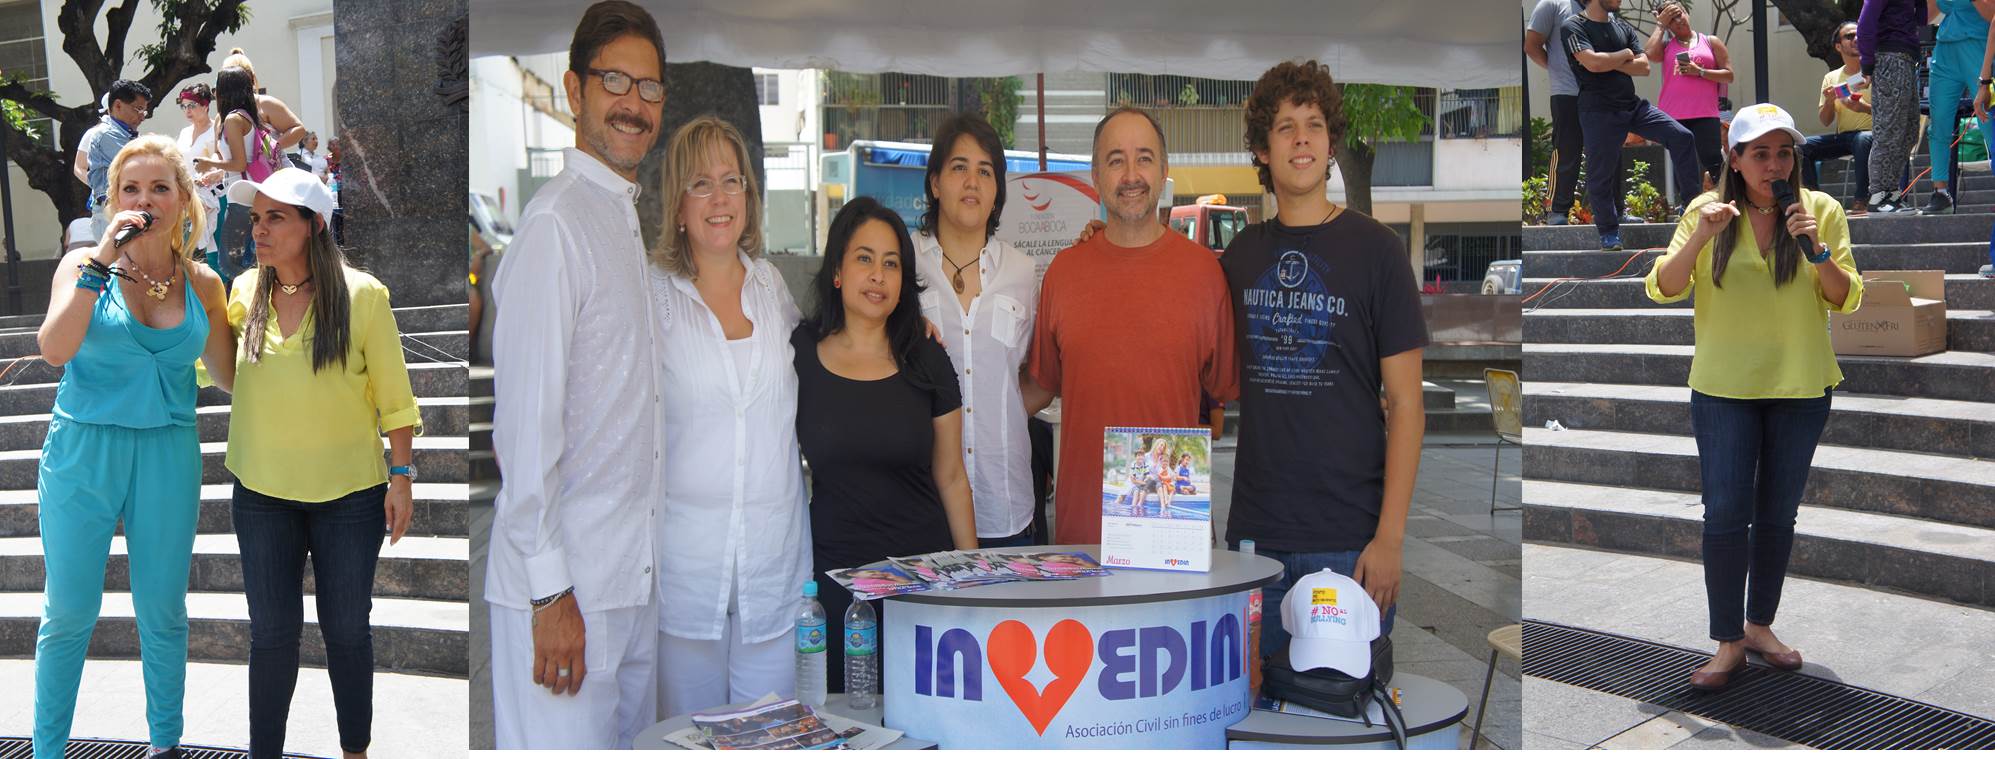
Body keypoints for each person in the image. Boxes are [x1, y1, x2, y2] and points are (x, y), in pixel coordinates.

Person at [485, 0, 670, 749]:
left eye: (650, 88)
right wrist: (550, 588)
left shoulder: (620, 218)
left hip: (629, 584)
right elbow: (525, 427)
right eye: (615, 82)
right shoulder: (555, 224)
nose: (633, 104)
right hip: (564, 594)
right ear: (573, 89)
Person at [1643, 104, 1862, 692]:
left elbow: (1848, 298)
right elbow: (1664, 285)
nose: (1773, 164)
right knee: (1724, 515)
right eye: (1759, 154)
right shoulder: (1704, 212)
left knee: (1776, 515)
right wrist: (1702, 238)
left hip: (1800, 386)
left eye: (1783, 152)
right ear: (1734, 159)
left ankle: (1759, 625)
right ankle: (1727, 641)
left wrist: (1816, 251)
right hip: (1723, 389)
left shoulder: (1821, 212)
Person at [33, 135, 234, 759]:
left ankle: (165, 745)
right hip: (82, 451)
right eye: (130, 188)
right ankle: (47, 750)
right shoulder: (80, 265)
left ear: (183, 202)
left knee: (163, 611)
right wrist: (101, 257)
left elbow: (233, 377)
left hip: (167, 453)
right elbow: (54, 349)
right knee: (68, 612)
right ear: (111, 197)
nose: (142, 200)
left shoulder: (202, 283)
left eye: (158, 188)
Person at [1221, 60, 1428, 654]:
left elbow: (1408, 405)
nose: (1302, 139)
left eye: (1314, 124)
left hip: (1349, 540)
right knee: (1255, 719)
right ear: (1262, 149)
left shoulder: (1378, 252)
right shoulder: (1239, 257)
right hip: (1253, 539)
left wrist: (1389, 538)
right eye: (1285, 127)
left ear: (1331, 142)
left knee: (1341, 720)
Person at [222, 167, 419, 759]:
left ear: (312, 225)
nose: (259, 229)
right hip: (261, 493)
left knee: (347, 631)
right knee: (272, 636)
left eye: (275, 217)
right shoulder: (242, 292)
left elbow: (395, 396)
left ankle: (354, 751)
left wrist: (402, 476)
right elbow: (218, 369)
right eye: (256, 218)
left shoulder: (363, 295)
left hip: (350, 496)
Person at [647, 115, 810, 716]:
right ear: (678, 203)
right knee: (688, 743)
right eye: (701, 184)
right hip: (687, 575)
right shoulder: (653, 294)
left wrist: (903, 334)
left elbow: (830, 363)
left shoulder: (771, 288)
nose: (720, 199)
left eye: (732, 181)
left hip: (774, 570)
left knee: (771, 738)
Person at [1026, 107, 1237, 545]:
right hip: (1083, 538)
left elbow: (1227, 391)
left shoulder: (1204, 273)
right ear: (1095, 177)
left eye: (1144, 158)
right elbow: (1039, 386)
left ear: (1163, 172)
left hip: (1173, 531)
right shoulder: (1063, 274)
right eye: (1116, 159)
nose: (1131, 174)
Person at [794, 197, 977, 693]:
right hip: (835, 589)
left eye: (891, 263)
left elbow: (952, 477)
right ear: (837, 271)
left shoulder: (927, 359)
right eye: (864, 258)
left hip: (922, 583)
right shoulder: (799, 356)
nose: (878, 275)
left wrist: (973, 580)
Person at [910, 112, 1047, 549]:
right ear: (935, 184)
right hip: (923, 505)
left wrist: (1000, 410)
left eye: (985, 171)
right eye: (959, 167)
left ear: (997, 192)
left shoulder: (1024, 272)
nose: (972, 181)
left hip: (1006, 508)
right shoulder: (902, 263)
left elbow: (1041, 378)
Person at [1562, 0, 1701, 250]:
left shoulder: (1622, 27)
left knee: (1682, 136)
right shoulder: (1573, 26)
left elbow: (1644, 67)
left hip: (1632, 106)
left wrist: (1609, 61)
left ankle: (1690, 206)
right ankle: (1608, 232)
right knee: (1600, 174)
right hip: (1598, 110)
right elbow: (1592, 63)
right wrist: (1625, 55)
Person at [1529, 0, 1642, 226]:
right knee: (1566, 151)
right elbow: (1531, 46)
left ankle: (1617, 211)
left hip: (1603, 95)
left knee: (1611, 152)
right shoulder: (1552, 5)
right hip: (1567, 94)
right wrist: (1558, 72)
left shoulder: (1607, 12)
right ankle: (1558, 211)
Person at [194, 66, 275, 286]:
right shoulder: (248, 116)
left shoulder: (232, 119)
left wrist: (208, 163)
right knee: (242, 261)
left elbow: (239, 162)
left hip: (238, 197)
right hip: (246, 192)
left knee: (230, 264)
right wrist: (217, 172)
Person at [1645, 1, 1732, 192]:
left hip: (1705, 112)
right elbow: (1649, 53)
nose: (1678, 21)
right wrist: (1660, 24)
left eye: (1680, 14)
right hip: (1674, 114)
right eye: (1671, 19)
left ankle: (1724, 199)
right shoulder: (1666, 46)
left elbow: (1729, 75)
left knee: (1713, 160)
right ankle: (1687, 206)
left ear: (1687, 14)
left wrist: (1699, 71)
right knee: (1681, 162)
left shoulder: (1710, 41)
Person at [1917, 0, 1993, 214]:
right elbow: (1926, 16)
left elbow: (1991, 15)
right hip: (1945, 49)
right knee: (1938, 122)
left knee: (1987, 119)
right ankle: (1940, 192)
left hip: (1979, 44)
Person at [1858, 0, 1927, 213]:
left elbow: (1922, 20)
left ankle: (1891, 193)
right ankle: (1878, 195)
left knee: (1908, 132)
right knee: (1889, 130)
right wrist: (1867, 62)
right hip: (1889, 58)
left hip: (1907, 59)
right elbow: (1865, 24)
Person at [1802, 21, 1878, 215]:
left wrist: (1863, 108)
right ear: (1838, 46)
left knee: (1862, 140)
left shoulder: (1876, 70)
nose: (1856, 39)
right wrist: (1829, 101)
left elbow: (1891, 112)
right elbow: (1825, 120)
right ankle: (1815, 201)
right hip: (1845, 137)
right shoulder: (1832, 77)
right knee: (1801, 146)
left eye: (1859, 34)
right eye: (1849, 36)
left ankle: (1862, 199)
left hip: (1875, 135)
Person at [72, 79, 152, 240]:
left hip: (121, 211)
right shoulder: (105, 134)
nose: (142, 117)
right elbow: (140, 165)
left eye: (144, 111)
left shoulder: (125, 134)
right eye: (138, 109)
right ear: (117, 106)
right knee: (116, 264)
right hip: (111, 214)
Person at [174, 84, 227, 273]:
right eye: (184, 106)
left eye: (192, 105)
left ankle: (220, 293)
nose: (187, 111)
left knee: (215, 248)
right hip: (188, 196)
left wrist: (214, 170)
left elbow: (221, 158)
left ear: (205, 106)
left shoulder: (216, 129)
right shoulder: (184, 132)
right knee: (188, 248)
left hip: (212, 195)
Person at [218, 48, 307, 152]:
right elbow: (217, 151)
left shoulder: (265, 104)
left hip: (271, 167)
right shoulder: (222, 115)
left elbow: (299, 129)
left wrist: (269, 149)